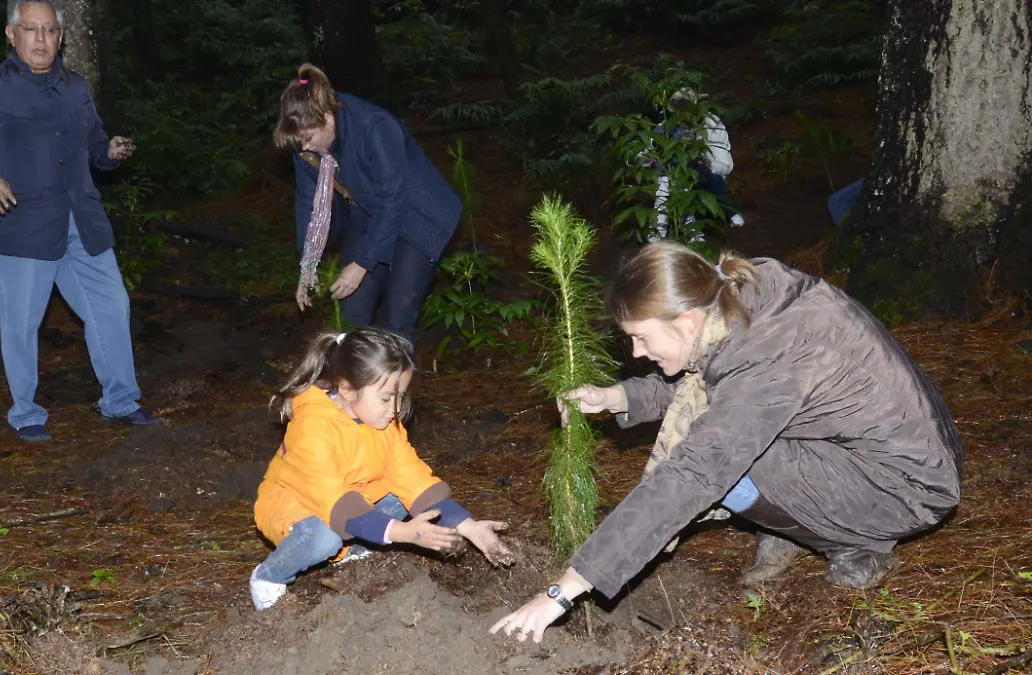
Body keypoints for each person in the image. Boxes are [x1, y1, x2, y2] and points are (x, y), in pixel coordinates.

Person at [490, 242, 963, 643]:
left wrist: (563, 591)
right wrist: (619, 397)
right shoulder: (738, 295)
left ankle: (856, 544)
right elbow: (715, 381)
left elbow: (694, 473)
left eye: (641, 338)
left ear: (687, 321)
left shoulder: (770, 353)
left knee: (721, 465)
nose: (636, 352)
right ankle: (796, 522)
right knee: (723, 436)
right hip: (889, 452)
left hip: (904, 489)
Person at [0, 0, 162, 442]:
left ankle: (121, 400)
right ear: (12, 35)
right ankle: (26, 413)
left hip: (82, 221)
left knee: (111, 306)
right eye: (31, 29)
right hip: (24, 225)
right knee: (22, 324)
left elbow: (95, 144)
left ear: (61, 38)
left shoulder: (75, 87)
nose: (41, 39)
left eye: (50, 30)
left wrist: (110, 151)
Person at [251, 327, 512, 610]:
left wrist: (469, 527)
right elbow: (335, 501)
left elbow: (413, 480)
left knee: (402, 499)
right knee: (324, 538)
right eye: (387, 398)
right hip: (295, 505)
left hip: (352, 499)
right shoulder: (312, 429)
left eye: (400, 397)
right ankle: (269, 577)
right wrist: (406, 533)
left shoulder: (384, 425)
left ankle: (353, 548)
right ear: (347, 388)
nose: (395, 409)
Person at [273, 64, 462, 346]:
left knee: (396, 321)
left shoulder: (374, 126)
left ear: (328, 117)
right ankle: (354, 373)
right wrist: (308, 265)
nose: (304, 149)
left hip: (418, 216)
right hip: (368, 212)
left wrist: (362, 264)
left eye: (308, 139)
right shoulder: (307, 143)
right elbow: (309, 204)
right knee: (351, 315)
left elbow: (393, 201)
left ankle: (394, 375)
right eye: (299, 142)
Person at [651, 89, 744, 242]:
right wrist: (647, 158)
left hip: (706, 174)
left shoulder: (712, 124)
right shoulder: (667, 123)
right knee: (666, 184)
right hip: (672, 173)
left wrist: (707, 163)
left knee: (702, 176)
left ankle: (729, 213)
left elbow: (726, 165)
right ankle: (660, 230)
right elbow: (651, 143)